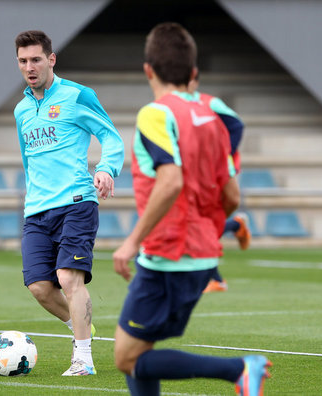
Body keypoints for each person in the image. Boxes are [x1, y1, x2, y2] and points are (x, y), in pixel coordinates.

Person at [112, 23, 271, 395]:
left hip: (167, 254)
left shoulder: (155, 114)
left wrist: (131, 242)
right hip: (201, 257)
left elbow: (171, 181)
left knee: (127, 359)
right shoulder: (212, 115)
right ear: (194, 74)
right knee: (140, 352)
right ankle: (240, 370)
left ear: (148, 70)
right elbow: (231, 196)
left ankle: (239, 369)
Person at [14, 30, 125, 376]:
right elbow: (28, 161)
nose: (29, 67)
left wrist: (106, 169)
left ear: (51, 59)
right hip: (37, 211)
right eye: (22, 61)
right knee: (39, 287)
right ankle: (81, 324)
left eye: (35, 59)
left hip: (77, 203)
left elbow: (111, 136)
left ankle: (83, 359)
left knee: (67, 278)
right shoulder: (21, 111)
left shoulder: (78, 95)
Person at [188, 73, 252, 293]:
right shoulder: (178, 106)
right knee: (199, 222)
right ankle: (235, 226)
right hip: (197, 170)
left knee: (201, 222)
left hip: (217, 170)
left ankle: (215, 278)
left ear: (194, 81)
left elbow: (237, 126)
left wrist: (223, 157)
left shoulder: (209, 102)